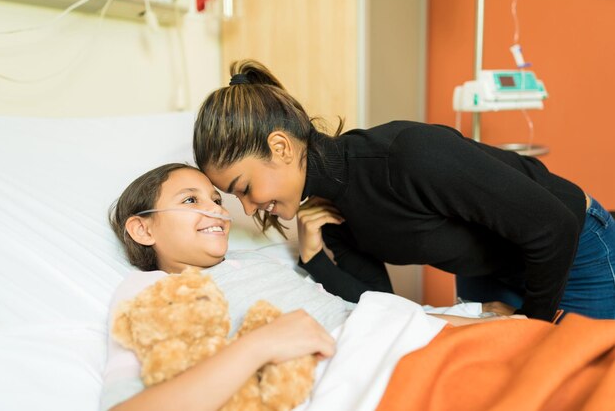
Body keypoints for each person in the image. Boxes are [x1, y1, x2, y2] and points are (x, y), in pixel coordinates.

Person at [192, 59, 615, 322]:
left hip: (574, 250)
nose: (248, 207)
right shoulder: (328, 208)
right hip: (492, 274)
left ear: (280, 146)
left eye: (243, 188)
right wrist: (314, 258)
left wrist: (532, 325)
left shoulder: (406, 156)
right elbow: (381, 304)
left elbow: (552, 225)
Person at [101, 163, 518, 411]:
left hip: (396, 334)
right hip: (353, 371)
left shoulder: (258, 263)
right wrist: (259, 345)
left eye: (215, 199)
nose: (216, 210)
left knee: (513, 325)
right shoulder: (149, 291)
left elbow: (355, 312)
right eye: (192, 200)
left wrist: (462, 321)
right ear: (143, 228)